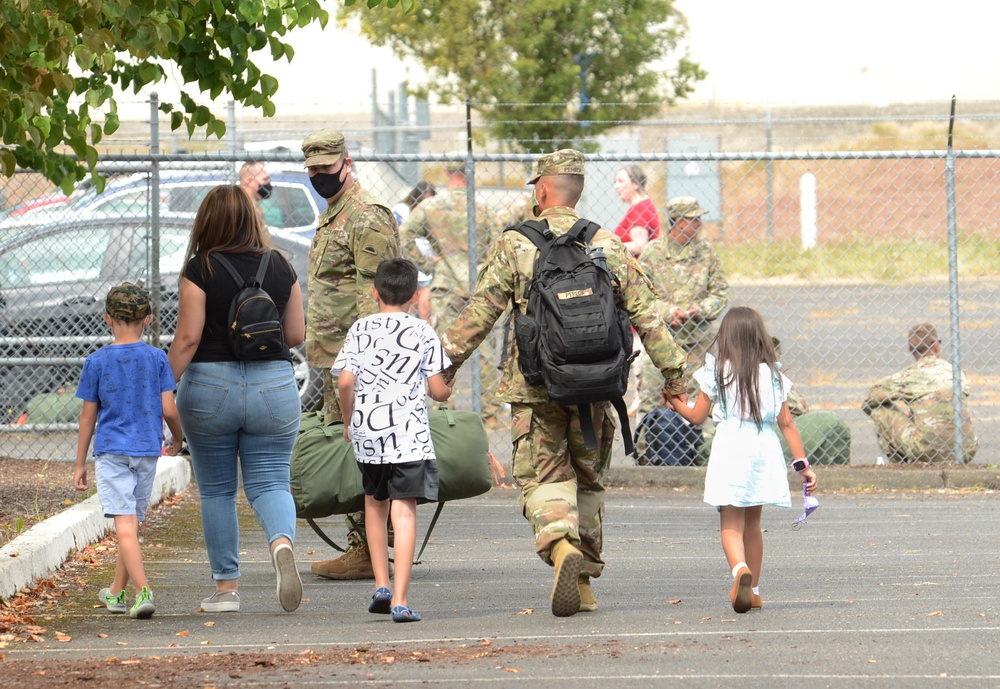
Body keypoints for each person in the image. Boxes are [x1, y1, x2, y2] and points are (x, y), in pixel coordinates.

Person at [439, 149, 688, 617]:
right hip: (597, 385)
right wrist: (675, 377)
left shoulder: (514, 244)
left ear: (541, 189)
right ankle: (586, 582)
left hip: (537, 388)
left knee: (544, 476)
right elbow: (648, 317)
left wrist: (444, 367)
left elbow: (480, 313)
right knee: (589, 478)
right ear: (578, 191)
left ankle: (559, 545)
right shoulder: (608, 244)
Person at [168, 185, 306, 614]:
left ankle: (227, 589)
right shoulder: (281, 265)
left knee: (217, 491)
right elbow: (297, 335)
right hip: (274, 388)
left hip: (211, 389)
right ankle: (281, 543)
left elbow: (189, 338)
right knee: (270, 481)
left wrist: (158, 387)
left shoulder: (200, 267)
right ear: (252, 217)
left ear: (206, 221)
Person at [666, 306, 817, 614]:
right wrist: (803, 466)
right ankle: (756, 590)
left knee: (730, 525)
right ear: (760, 337)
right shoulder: (774, 374)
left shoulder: (717, 370)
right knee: (753, 524)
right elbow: (787, 422)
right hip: (764, 447)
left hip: (730, 447)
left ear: (726, 337)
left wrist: (675, 403)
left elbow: (697, 416)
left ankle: (739, 572)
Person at [300, 128, 401, 581]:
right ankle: (367, 542)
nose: (320, 175)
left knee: (363, 446)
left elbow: (375, 294)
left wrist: (364, 359)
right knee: (350, 448)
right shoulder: (333, 215)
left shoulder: (366, 217)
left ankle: (368, 547)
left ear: (347, 163)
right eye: (314, 170)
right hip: (330, 357)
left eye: (326, 167)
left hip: (356, 360)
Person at [333, 258, 452, 623]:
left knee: (374, 504)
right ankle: (400, 599)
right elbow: (437, 391)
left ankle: (381, 584)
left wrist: (349, 418)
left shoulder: (360, 329)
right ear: (415, 295)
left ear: (374, 293)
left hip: (369, 433)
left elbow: (344, 381)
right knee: (404, 512)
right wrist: (447, 389)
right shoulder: (423, 331)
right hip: (408, 436)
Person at [73, 283, 184, 619]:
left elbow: (88, 417)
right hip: (147, 451)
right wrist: (177, 440)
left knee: (123, 526)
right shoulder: (157, 358)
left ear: (107, 319)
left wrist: (80, 463)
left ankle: (142, 590)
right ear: (148, 320)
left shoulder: (96, 361)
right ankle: (116, 593)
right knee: (130, 524)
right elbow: (170, 409)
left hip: (111, 453)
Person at [399, 162, 499, 419]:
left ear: (447, 173)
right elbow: (497, 247)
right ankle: (488, 410)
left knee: (442, 346)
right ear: (470, 173)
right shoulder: (484, 208)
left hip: (446, 282)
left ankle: (444, 408)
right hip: (477, 284)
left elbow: (404, 235)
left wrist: (427, 263)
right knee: (485, 349)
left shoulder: (431, 207)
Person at [635, 195, 729, 415]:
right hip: (661, 340)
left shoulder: (706, 252)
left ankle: (697, 448)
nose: (699, 224)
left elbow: (720, 292)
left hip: (698, 342)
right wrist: (669, 312)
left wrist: (700, 310)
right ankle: (646, 447)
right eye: (693, 219)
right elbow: (639, 294)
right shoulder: (653, 252)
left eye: (698, 219)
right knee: (650, 401)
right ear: (676, 221)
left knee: (701, 401)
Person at [862, 323, 978, 463]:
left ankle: (901, 465)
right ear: (936, 346)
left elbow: (870, 398)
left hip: (926, 449)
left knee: (880, 408)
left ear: (910, 348)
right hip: (966, 449)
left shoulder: (909, 375)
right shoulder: (955, 371)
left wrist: (904, 412)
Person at [392, 181, 437, 322]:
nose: (425, 205)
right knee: (407, 302)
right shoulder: (402, 210)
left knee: (425, 303)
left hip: (426, 263)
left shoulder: (432, 213)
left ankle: (425, 330)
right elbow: (397, 234)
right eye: (424, 201)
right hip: (406, 260)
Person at [612, 165, 660, 256]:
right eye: (615, 182)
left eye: (621, 181)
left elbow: (639, 246)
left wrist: (608, 247)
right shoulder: (643, 205)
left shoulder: (640, 208)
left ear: (635, 184)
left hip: (636, 267)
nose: (616, 186)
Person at [238, 161, 281, 227]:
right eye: (265, 179)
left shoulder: (251, 204)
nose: (268, 183)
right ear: (250, 181)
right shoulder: (245, 208)